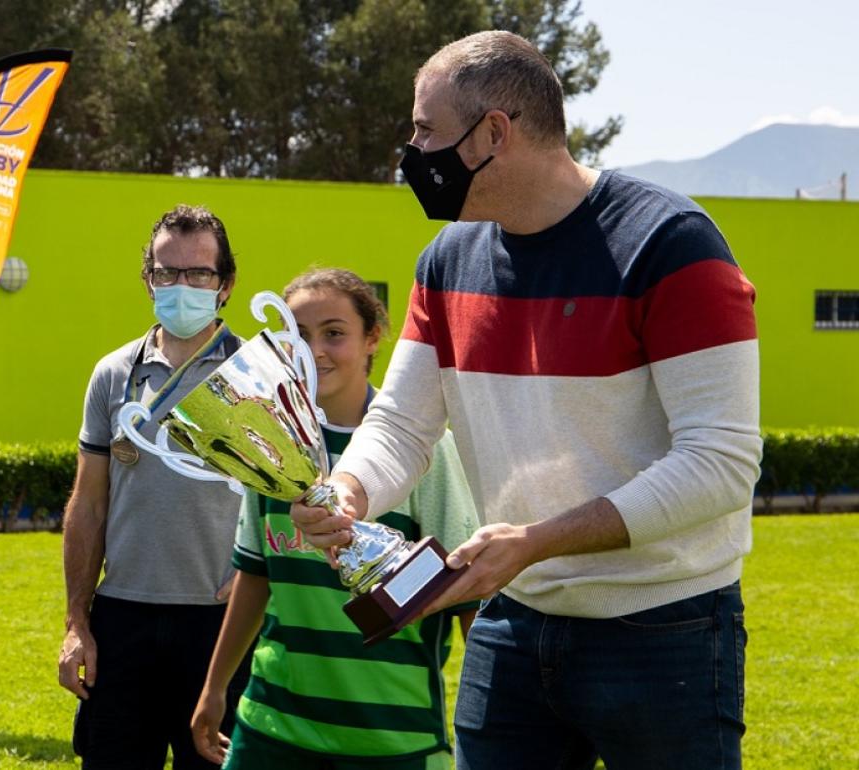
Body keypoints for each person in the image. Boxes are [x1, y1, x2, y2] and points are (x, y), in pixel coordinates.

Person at [291, 31, 760, 770]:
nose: (409, 152)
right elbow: (403, 425)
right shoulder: (446, 261)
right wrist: (348, 491)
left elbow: (721, 463)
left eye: (424, 130)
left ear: (493, 134)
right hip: (512, 620)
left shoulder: (672, 243)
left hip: (665, 629)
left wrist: (535, 541)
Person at [190, 268, 480, 769]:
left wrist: (489, 716)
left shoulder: (421, 453)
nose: (315, 350)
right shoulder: (266, 446)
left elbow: (468, 595)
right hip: (272, 727)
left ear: (373, 338)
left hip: (393, 737)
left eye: (334, 333)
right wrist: (215, 688)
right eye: (298, 336)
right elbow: (255, 577)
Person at [59, 204, 251, 769]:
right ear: (148, 279)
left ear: (226, 285)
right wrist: (77, 622)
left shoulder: (258, 371)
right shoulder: (113, 373)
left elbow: (295, 495)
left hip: (223, 626)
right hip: (123, 620)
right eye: (166, 273)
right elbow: (88, 506)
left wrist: (256, 567)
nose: (182, 286)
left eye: (198, 274)